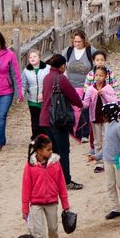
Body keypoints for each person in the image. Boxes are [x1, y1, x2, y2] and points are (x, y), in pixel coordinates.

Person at [39, 54, 83, 190]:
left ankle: (52, 180)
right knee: (63, 152)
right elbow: (74, 97)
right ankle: (66, 181)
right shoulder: (61, 79)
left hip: (45, 120)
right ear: (62, 66)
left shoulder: (47, 78)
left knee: (52, 152)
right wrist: (80, 104)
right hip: (58, 120)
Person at [21, 136, 70, 238]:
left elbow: (61, 183)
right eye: (48, 150)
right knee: (39, 231)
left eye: (51, 149)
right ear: (39, 151)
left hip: (52, 201)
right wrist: (25, 207)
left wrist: (65, 203)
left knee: (53, 227)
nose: (51, 152)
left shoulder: (55, 163)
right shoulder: (30, 165)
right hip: (36, 203)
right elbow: (26, 187)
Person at [99, 103, 120, 220]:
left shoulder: (119, 127)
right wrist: (97, 156)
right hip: (107, 161)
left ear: (111, 115)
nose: (103, 117)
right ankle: (115, 208)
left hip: (118, 161)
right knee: (110, 185)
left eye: (105, 115)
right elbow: (107, 145)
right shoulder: (107, 126)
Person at [82, 67, 120, 172]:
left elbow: (114, 100)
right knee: (97, 141)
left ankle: (110, 159)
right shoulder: (90, 89)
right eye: (97, 75)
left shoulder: (108, 88)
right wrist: (80, 104)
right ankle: (99, 163)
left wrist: (104, 94)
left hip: (107, 118)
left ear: (105, 77)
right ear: (94, 76)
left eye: (101, 75)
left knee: (108, 138)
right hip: (95, 118)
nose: (98, 77)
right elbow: (86, 102)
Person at [61, 31, 96, 141]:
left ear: (84, 40)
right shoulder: (67, 51)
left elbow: (97, 66)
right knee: (72, 109)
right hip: (71, 85)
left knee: (84, 108)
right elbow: (62, 67)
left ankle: (85, 133)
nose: (77, 44)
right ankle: (74, 130)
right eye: (75, 41)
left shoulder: (91, 51)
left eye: (79, 42)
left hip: (87, 85)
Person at [23, 50, 49, 142]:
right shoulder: (26, 70)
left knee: (44, 119)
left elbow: (50, 83)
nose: (32, 59)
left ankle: (45, 137)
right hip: (32, 99)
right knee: (35, 120)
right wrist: (21, 94)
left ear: (39, 57)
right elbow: (24, 84)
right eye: (30, 57)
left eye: (34, 56)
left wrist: (44, 93)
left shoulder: (47, 68)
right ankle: (35, 137)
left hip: (45, 100)